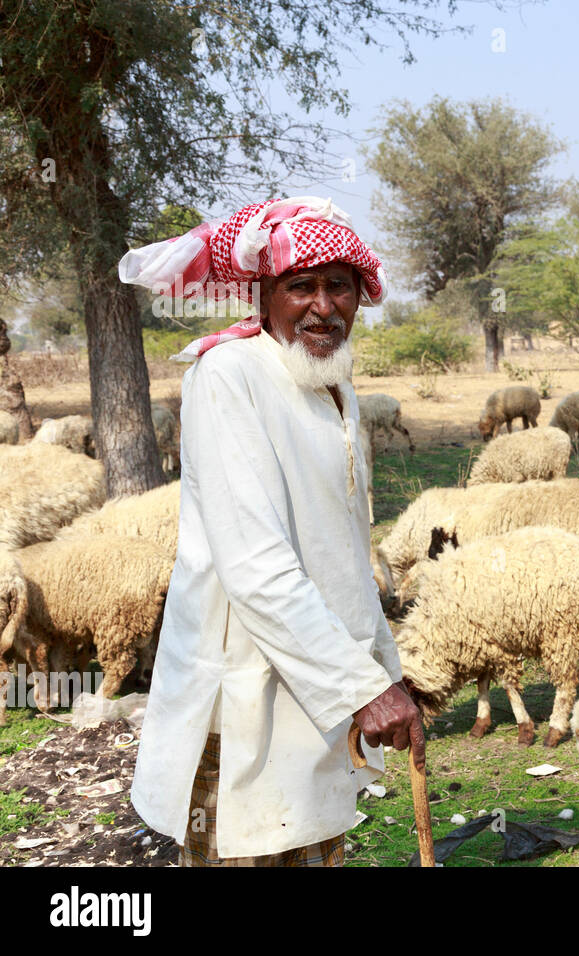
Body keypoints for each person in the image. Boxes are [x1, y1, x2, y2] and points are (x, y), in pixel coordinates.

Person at [119, 197, 423, 866]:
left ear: (359, 294)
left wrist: (383, 672)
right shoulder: (228, 376)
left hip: (323, 691)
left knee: (313, 849)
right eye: (301, 287)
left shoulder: (332, 384)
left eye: (337, 286)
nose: (322, 306)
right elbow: (255, 564)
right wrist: (364, 687)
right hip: (243, 701)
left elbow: (341, 554)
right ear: (263, 293)